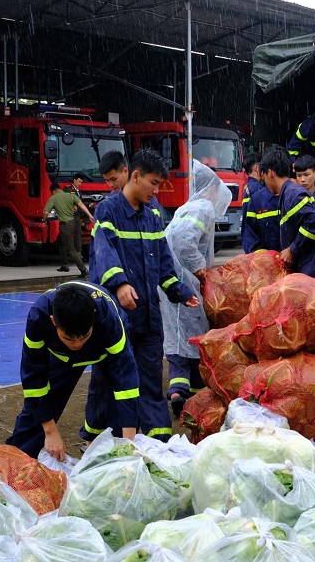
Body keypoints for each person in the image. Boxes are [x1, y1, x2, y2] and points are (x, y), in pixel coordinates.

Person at [88, 149, 198, 442]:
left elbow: (164, 263)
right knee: (113, 376)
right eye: (153, 182)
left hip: (149, 316)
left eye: (160, 184)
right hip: (117, 316)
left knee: (150, 377)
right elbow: (103, 252)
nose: (156, 190)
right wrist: (121, 283)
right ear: (134, 176)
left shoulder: (153, 216)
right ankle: (107, 436)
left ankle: (158, 439)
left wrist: (180, 290)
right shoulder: (108, 211)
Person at [6, 281, 139, 460]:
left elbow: (126, 384)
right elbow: (34, 378)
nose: (77, 344)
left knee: (115, 405)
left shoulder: (108, 320)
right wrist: (51, 431)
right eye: (69, 338)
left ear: (93, 318)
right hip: (61, 358)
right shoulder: (39, 317)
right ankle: (15, 463)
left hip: (104, 353)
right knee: (37, 412)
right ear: (54, 321)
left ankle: (112, 463)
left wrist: (129, 444)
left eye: (84, 336)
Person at [161, 161, 232, 416]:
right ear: (211, 190)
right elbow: (183, 240)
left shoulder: (187, 207)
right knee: (189, 333)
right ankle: (187, 392)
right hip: (183, 280)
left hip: (172, 278)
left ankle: (183, 389)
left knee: (181, 333)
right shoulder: (202, 208)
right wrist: (200, 268)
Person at [259, 146, 315, 278]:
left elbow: (314, 225)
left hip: (313, 271)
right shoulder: (288, 194)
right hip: (308, 268)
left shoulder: (292, 194)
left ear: (270, 173)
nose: (265, 182)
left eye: (264, 177)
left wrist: (292, 249)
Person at [100, 151, 166, 225]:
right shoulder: (108, 202)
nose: (111, 184)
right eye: (107, 180)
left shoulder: (147, 197)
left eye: (114, 179)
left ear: (125, 171)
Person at [43, 183, 92, 277]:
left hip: (65, 225)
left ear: (53, 191)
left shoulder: (53, 198)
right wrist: (89, 215)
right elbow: (81, 204)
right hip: (73, 223)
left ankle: (83, 270)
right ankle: (64, 265)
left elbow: (46, 212)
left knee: (71, 249)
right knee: (60, 243)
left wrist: (44, 220)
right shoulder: (71, 195)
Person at [242, 178, 282, 253]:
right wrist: (263, 257)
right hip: (268, 260)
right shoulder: (257, 197)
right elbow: (250, 233)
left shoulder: (293, 196)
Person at [64, 173, 85, 257]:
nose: (80, 184)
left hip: (77, 216)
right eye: (79, 182)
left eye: (81, 182)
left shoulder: (79, 192)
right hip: (70, 216)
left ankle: (79, 253)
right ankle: (68, 252)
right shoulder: (68, 189)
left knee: (77, 233)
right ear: (74, 180)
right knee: (69, 234)